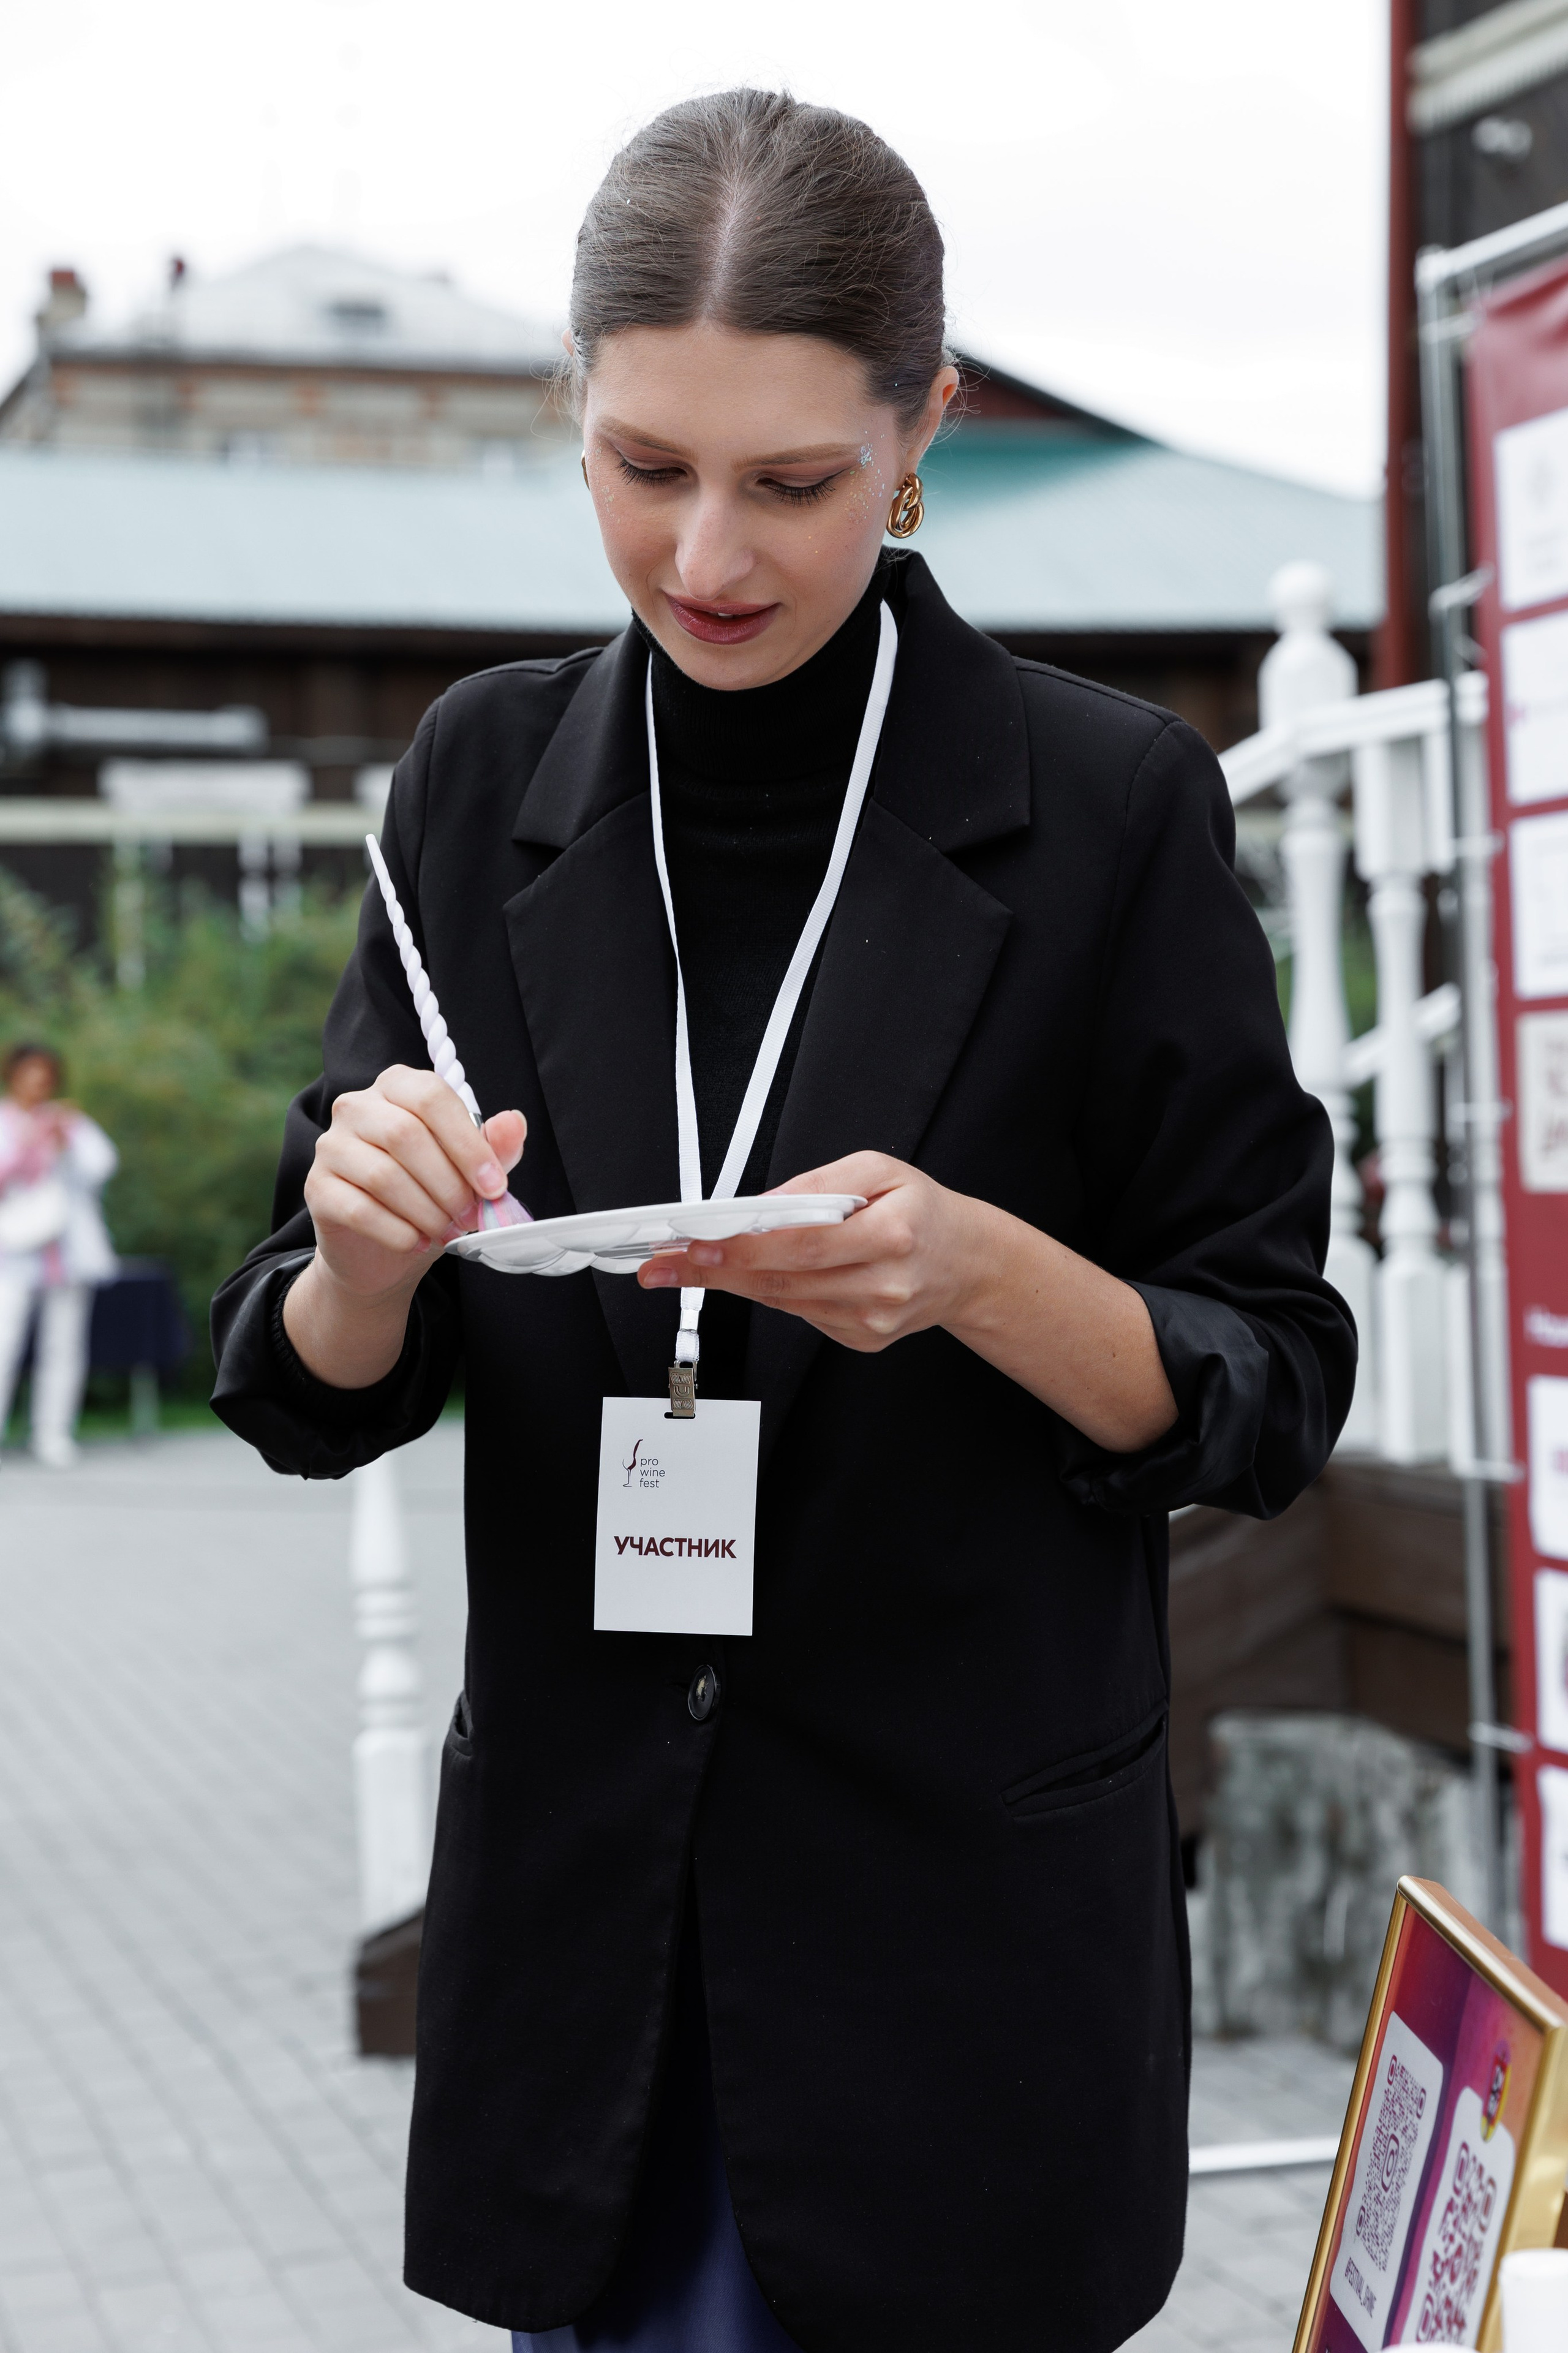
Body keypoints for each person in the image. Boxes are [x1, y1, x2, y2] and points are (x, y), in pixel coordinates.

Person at [211, 89, 1355, 2353]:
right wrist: (357, 1259)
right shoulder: (471, 779)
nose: (704, 554)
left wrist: (980, 1277)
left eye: (789, 483)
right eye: (641, 468)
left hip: (957, 1953)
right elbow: (311, 1381)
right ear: (572, 410)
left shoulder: (1107, 806)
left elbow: (1268, 1380)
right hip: (588, 1956)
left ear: (920, 426)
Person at [0, 1042, 118, 1468]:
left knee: (64, 1346)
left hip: (67, 1253)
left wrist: (65, 1141)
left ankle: (52, 1433)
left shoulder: (69, 1121)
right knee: (3, 1341)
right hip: (11, 1252)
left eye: (44, 1074)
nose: (37, 1082)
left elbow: (102, 1166)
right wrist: (28, 1146)